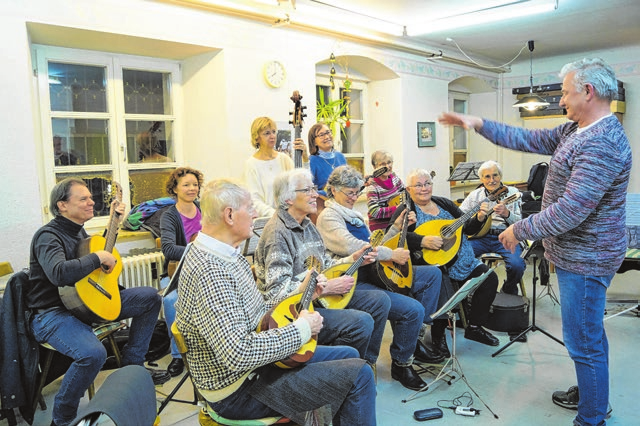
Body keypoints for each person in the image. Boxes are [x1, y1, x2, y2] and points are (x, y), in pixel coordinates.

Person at [439, 57, 630, 426]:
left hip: (587, 259)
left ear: (588, 92)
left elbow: (572, 209)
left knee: (583, 340)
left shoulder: (601, 142)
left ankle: (591, 417)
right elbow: (527, 138)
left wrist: (519, 229)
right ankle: (593, 392)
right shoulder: (576, 129)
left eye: (565, 92)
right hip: (578, 253)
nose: (561, 101)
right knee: (588, 334)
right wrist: (476, 123)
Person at [174, 178, 376, 425]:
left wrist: (303, 295)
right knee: (359, 375)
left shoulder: (224, 253)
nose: (255, 213)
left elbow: (256, 311)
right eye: (249, 208)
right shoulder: (210, 272)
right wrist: (302, 329)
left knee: (349, 354)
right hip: (238, 390)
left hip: (253, 371)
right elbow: (239, 354)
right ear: (229, 215)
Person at [27, 178, 170, 426]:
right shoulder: (47, 236)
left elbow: (92, 259)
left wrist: (114, 225)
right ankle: (62, 418)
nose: (91, 202)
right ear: (62, 205)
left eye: (90, 198)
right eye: (83, 199)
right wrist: (97, 257)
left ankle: (132, 366)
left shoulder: (79, 231)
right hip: (52, 313)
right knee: (93, 354)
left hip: (84, 304)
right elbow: (59, 273)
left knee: (149, 297)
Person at [316, 165, 445, 391]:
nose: (354, 197)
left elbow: (375, 246)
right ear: (334, 190)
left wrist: (395, 229)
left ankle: (412, 340)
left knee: (432, 274)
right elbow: (354, 246)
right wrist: (392, 254)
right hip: (352, 280)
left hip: (374, 273)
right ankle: (402, 363)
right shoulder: (328, 217)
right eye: (350, 193)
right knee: (412, 309)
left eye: (357, 192)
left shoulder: (354, 215)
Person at [254, 168, 391, 375]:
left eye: (314, 188)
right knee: (360, 322)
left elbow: (324, 264)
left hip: (316, 298)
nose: (315, 194)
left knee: (379, 301)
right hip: (293, 312)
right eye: (307, 190)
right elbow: (275, 293)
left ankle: (364, 366)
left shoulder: (308, 225)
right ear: (288, 199)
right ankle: (336, 373)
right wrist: (325, 288)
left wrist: (352, 260)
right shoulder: (277, 233)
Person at [388, 169, 500, 350]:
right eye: (418, 185)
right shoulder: (406, 210)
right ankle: (438, 337)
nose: (424, 188)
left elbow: (467, 229)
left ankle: (474, 326)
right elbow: (392, 238)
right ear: (408, 189)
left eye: (427, 184)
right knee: (440, 281)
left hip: (463, 259)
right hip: (432, 262)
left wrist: (479, 217)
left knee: (489, 278)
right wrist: (422, 240)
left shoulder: (445, 204)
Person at [159, 166, 204, 377]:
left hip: (204, 272)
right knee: (170, 301)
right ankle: (178, 355)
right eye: (186, 185)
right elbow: (168, 249)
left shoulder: (205, 209)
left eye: (195, 184)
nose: (192, 188)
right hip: (175, 272)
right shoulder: (169, 216)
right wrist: (197, 250)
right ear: (175, 189)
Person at [459, 160, 526, 295]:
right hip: (479, 237)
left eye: (495, 175)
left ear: (500, 176)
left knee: (517, 265)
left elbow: (520, 222)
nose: (492, 180)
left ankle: (508, 290)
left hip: (505, 236)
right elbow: (460, 217)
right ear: (481, 179)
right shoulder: (475, 195)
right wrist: (477, 218)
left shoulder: (512, 192)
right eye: (487, 177)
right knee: (460, 259)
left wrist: (507, 213)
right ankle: (472, 292)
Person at [244, 117, 308, 218]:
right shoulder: (252, 164)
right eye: (267, 133)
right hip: (269, 220)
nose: (272, 136)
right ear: (257, 137)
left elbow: (302, 182)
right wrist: (277, 215)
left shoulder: (284, 159)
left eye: (273, 132)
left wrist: (305, 158)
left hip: (290, 216)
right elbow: (254, 200)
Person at [366, 150, 404, 231]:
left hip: (397, 223)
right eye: (382, 164)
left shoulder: (394, 177)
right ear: (375, 167)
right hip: (381, 228)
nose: (387, 166)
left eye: (389, 162)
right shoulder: (372, 186)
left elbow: (404, 194)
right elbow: (374, 211)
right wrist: (397, 209)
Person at [307, 123, 347, 197]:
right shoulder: (312, 160)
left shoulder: (340, 156)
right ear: (314, 142)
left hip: (343, 204)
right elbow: (308, 189)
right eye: (321, 135)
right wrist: (328, 192)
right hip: (322, 205)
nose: (327, 137)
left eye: (328, 132)